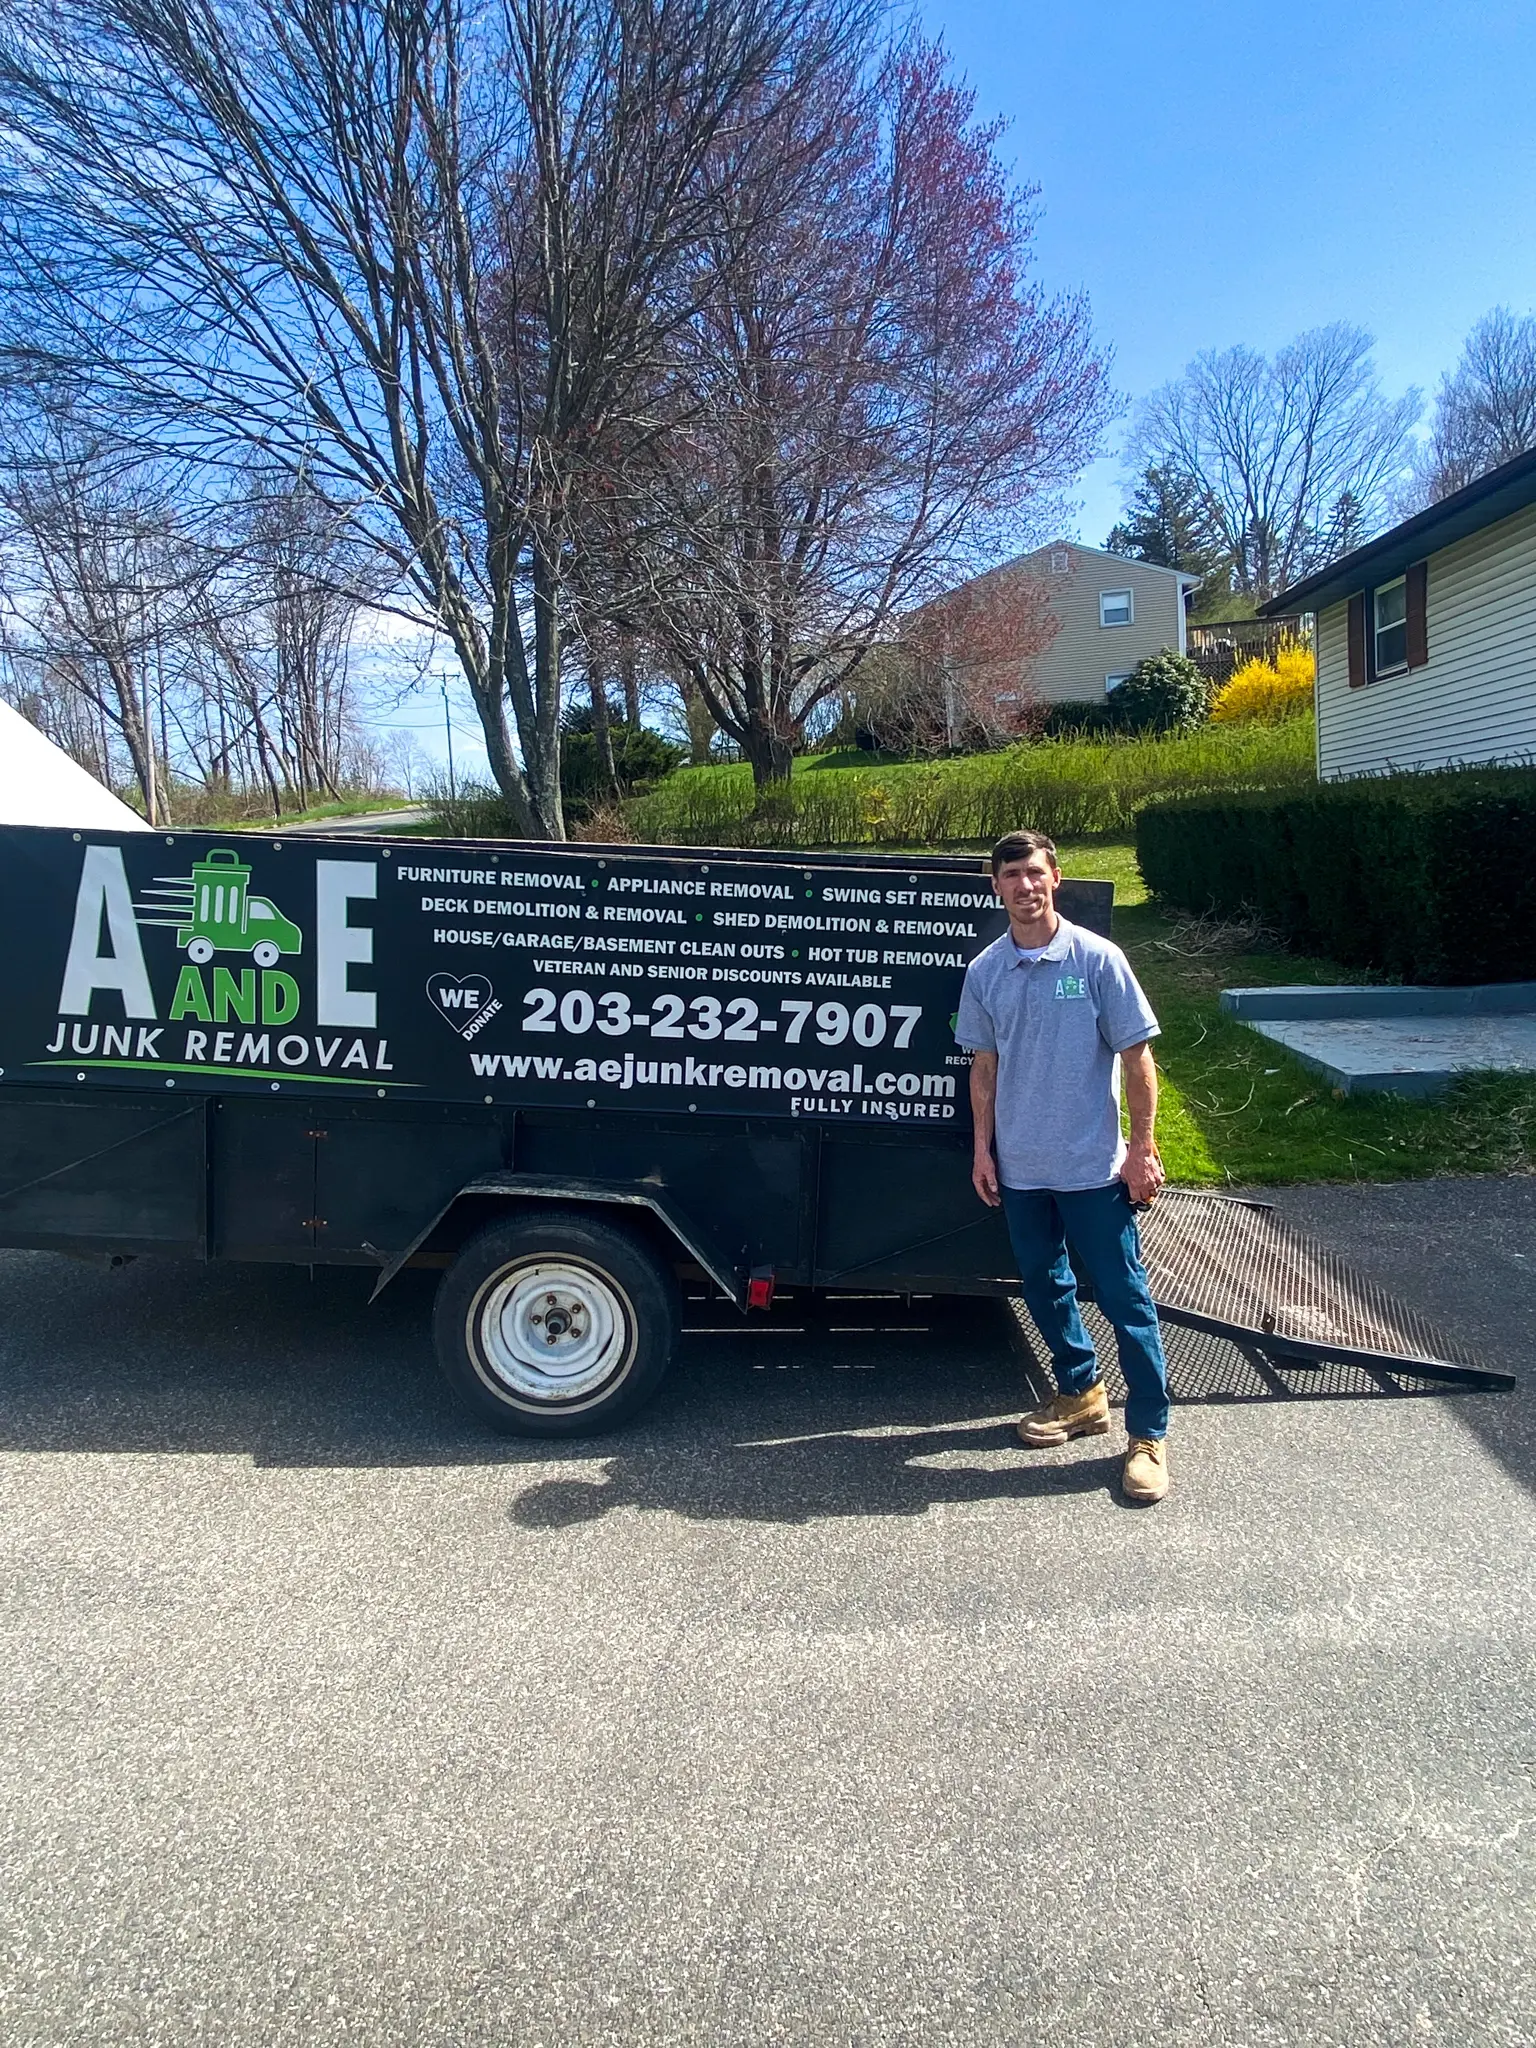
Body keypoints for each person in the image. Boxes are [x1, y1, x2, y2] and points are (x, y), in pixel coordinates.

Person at [955, 829, 1172, 1504]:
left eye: (1035, 873)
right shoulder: (987, 971)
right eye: (1011, 875)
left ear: (1056, 879)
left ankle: (1148, 1438)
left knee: (1124, 1300)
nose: (1024, 885)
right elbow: (983, 1067)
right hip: (1021, 1169)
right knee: (1045, 1288)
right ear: (996, 886)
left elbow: (1138, 1059)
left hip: (1093, 1170)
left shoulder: (1099, 960)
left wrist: (1142, 1149)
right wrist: (983, 1148)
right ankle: (1080, 1392)